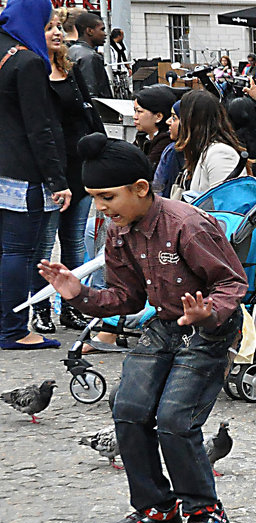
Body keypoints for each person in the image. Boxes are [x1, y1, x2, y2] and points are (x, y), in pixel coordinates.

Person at [39, 132, 247, 523]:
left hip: (206, 332)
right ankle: (156, 508)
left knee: (174, 419)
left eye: (107, 197)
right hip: (164, 327)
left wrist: (208, 312)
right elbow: (127, 297)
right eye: (94, 197)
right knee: (128, 406)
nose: (99, 206)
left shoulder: (188, 225)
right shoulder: (117, 231)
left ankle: (206, 512)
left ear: (140, 189)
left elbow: (232, 282)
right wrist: (78, 294)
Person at [0, 0, 70, 351]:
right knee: (18, 252)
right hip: (21, 172)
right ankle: (13, 329)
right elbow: (39, 128)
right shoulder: (27, 62)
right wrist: (58, 180)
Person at [32, 10, 102, 335]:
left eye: (59, 26)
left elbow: (89, 113)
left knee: (74, 243)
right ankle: (42, 308)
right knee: (44, 247)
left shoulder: (68, 68)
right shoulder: (30, 71)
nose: (58, 32)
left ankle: (73, 308)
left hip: (80, 168)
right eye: (49, 28)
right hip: (49, 171)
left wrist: (101, 151)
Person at [171, 89, 244, 199]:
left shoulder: (220, 153)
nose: (168, 121)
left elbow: (225, 206)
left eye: (174, 118)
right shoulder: (201, 151)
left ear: (192, 121)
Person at [67, 11, 111, 98]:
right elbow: (91, 92)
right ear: (89, 31)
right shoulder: (90, 56)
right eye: (102, 29)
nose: (105, 34)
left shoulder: (70, 50)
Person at [133, 85, 178, 169]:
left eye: (139, 111)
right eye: (135, 111)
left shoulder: (166, 141)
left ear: (158, 117)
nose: (134, 116)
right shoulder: (141, 137)